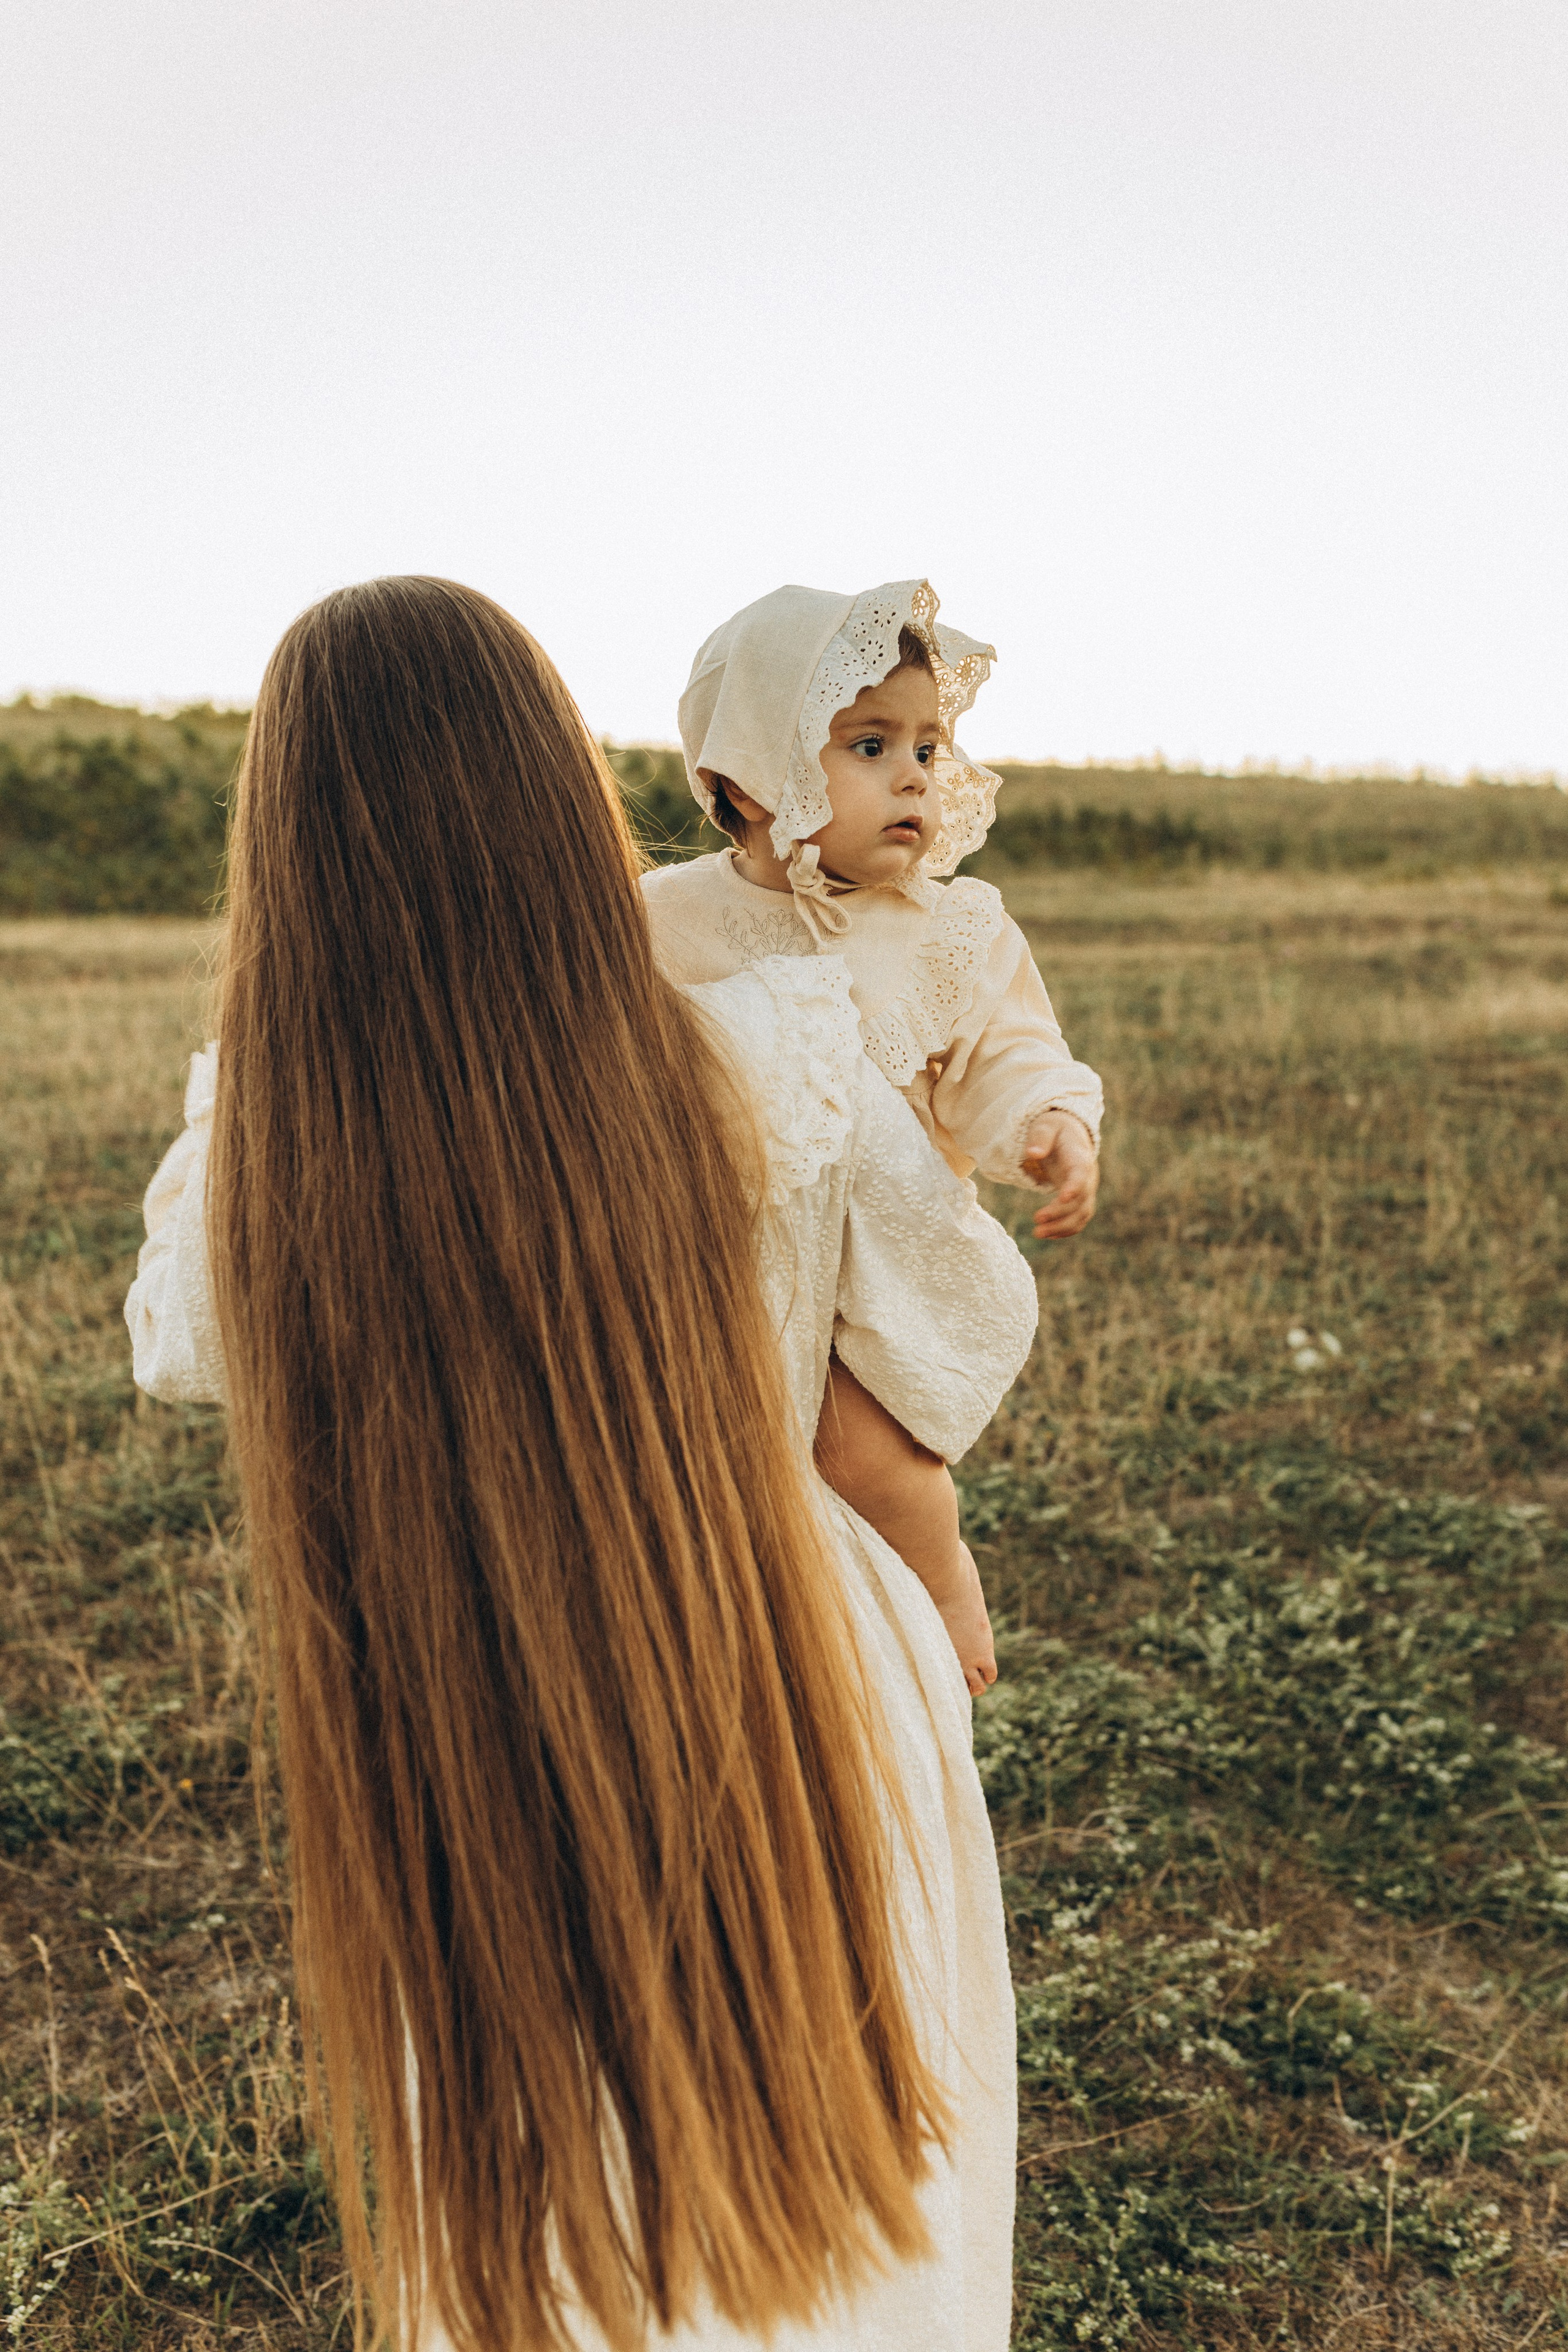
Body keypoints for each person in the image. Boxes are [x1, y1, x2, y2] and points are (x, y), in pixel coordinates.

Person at [124, 577, 1038, 2352]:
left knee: (571, 2247)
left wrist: (251, 1074)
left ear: (285, 857)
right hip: (791, 1655)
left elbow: (185, 1341)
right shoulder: (764, 1049)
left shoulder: (270, 1145)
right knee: (861, 2217)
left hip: (475, 1706)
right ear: (561, 807)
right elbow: (944, 1312)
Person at [641, 578, 1104, 1699]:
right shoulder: (662, 918)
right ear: (747, 778)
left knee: (860, 1448)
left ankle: (939, 1578)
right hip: (730, 1248)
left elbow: (1007, 1049)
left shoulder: (951, 929)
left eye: (929, 747)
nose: (913, 775)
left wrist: (1045, 1120)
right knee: (709, 1455)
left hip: (882, 1258)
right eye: (867, 744)